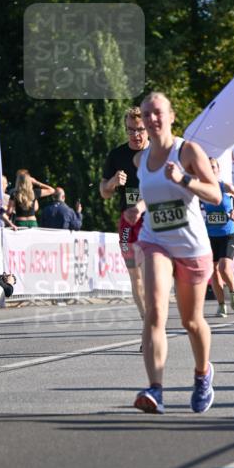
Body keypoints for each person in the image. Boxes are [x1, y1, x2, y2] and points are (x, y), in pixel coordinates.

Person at [132, 91, 222, 414]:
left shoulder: (188, 151)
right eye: (146, 115)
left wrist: (185, 179)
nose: (152, 119)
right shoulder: (140, 160)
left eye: (157, 113)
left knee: (192, 321)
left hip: (192, 247)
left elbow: (214, 194)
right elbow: (154, 196)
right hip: (156, 240)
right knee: (155, 310)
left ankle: (202, 374)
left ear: (171, 116)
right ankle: (155, 389)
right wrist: (139, 208)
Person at [101, 107, 149, 332]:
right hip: (128, 222)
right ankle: (147, 323)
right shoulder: (117, 155)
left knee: (150, 275)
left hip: (155, 222)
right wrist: (111, 183)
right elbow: (104, 191)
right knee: (135, 275)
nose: (135, 135)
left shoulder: (157, 154)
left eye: (140, 130)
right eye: (131, 130)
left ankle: (153, 325)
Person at [202, 158, 234, 319]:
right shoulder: (203, 189)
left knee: (224, 268)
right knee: (213, 272)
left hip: (228, 233)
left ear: (218, 169)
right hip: (211, 235)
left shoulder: (225, 187)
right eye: (207, 167)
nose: (210, 169)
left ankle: (233, 290)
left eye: (213, 167)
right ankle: (221, 306)